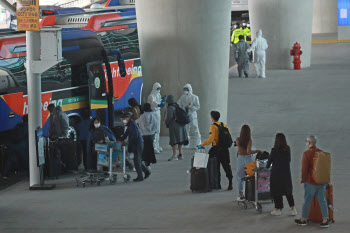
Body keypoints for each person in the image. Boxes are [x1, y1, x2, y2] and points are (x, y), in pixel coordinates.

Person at [295, 135, 329, 228]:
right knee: (322, 200)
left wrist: (303, 179)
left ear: (309, 143)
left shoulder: (307, 153)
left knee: (307, 201)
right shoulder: (321, 153)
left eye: (306, 141)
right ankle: (325, 220)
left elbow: (304, 169)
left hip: (310, 182)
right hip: (321, 182)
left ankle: (304, 219)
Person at [199, 111, 233, 190]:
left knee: (216, 167)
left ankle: (218, 185)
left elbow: (211, 139)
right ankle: (230, 183)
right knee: (226, 166)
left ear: (212, 118)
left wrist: (202, 144)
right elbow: (229, 136)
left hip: (217, 149)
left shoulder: (213, 126)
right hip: (225, 149)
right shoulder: (223, 125)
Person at [266, 133, 297, 216]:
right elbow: (288, 160)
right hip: (286, 174)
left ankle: (277, 209)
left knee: (277, 192)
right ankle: (293, 209)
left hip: (276, 174)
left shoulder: (274, 150)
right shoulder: (288, 149)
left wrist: (269, 165)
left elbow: (268, 163)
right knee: (288, 192)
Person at [119, 111, 150, 182]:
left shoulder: (132, 125)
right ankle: (146, 171)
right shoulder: (130, 124)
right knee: (137, 160)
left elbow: (134, 136)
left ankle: (140, 176)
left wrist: (128, 141)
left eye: (124, 118)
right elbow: (126, 134)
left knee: (136, 160)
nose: (123, 119)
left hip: (137, 144)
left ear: (128, 117)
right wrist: (121, 139)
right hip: (137, 143)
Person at [235, 124, 264, 201]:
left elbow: (239, 147)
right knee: (250, 176)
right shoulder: (249, 140)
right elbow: (249, 151)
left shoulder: (238, 140)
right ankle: (249, 194)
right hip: (248, 158)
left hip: (240, 158)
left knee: (240, 177)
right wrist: (258, 150)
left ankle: (240, 195)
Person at [165, 95, 189, 161]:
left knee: (174, 140)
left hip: (174, 126)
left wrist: (166, 123)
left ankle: (175, 155)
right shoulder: (177, 106)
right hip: (181, 125)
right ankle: (180, 154)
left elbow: (169, 117)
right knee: (180, 140)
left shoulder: (170, 108)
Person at [177, 83, 201, 148]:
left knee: (195, 129)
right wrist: (182, 109)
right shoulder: (182, 97)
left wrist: (191, 107)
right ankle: (186, 143)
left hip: (192, 115)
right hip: (185, 115)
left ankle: (198, 144)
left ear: (189, 89)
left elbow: (198, 106)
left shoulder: (195, 97)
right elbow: (178, 104)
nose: (185, 90)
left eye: (186, 89)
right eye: (184, 89)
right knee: (185, 130)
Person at [147, 82, 166, 154]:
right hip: (153, 113)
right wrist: (159, 105)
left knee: (158, 130)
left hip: (158, 113)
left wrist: (162, 100)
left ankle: (157, 145)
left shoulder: (158, 94)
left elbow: (159, 101)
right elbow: (154, 103)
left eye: (159, 88)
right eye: (157, 88)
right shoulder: (151, 96)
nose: (159, 90)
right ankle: (153, 147)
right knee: (154, 131)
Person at [138, 103, 157, 171]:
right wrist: (153, 132)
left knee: (144, 150)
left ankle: (144, 163)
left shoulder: (142, 116)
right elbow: (156, 125)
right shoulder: (153, 115)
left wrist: (143, 133)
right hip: (151, 135)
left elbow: (141, 126)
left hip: (144, 136)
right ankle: (148, 164)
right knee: (150, 149)